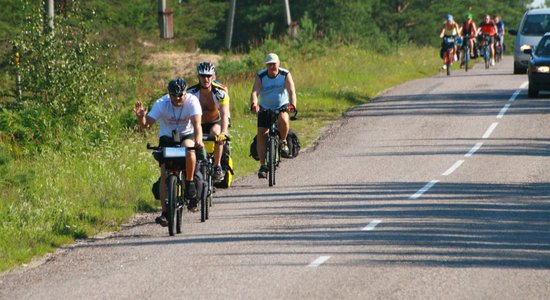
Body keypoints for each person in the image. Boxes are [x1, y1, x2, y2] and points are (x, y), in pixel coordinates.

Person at [134, 78, 204, 226]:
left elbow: (197, 125)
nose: (178, 99)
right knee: (164, 173)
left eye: (181, 95)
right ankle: (165, 213)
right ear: (169, 94)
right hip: (167, 137)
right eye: (174, 95)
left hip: (187, 134)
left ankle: (190, 183)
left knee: (189, 149)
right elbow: (145, 126)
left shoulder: (192, 101)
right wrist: (141, 118)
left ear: (185, 93)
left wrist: (198, 140)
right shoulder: (161, 103)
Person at [250, 53, 297, 179]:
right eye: (269, 64)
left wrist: (292, 105)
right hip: (265, 108)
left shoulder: (285, 74)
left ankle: (282, 142)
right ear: (266, 65)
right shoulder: (261, 76)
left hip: (282, 106)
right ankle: (262, 165)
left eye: (274, 64)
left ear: (278, 63)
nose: (272, 67)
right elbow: (255, 91)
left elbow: (291, 90)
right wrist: (254, 104)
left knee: (283, 120)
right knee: (262, 133)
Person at [188, 62, 230, 182]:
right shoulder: (191, 93)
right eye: (202, 76)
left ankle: (217, 165)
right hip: (197, 124)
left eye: (208, 76)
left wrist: (223, 132)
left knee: (216, 133)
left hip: (214, 122)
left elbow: (224, 115)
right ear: (198, 77)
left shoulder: (220, 93)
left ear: (213, 77)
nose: (206, 79)